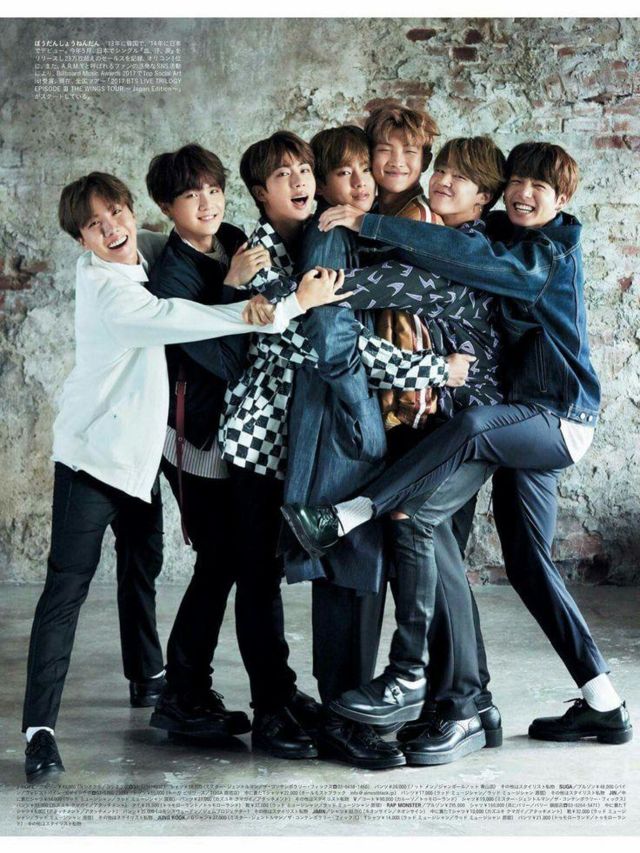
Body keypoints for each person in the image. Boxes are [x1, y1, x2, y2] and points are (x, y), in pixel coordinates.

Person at [282, 142, 633, 748]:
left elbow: (453, 260)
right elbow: (448, 242)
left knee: (435, 487)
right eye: (518, 182)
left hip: (553, 417)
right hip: (520, 422)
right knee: (527, 563)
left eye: (540, 188)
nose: (525, 194)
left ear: (562, 200)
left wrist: (358, 232)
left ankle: (359, 532)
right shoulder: (499, 231)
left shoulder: (547, 252)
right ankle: (604, 702)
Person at [22, 171, 346, 783]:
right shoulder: (115, 298)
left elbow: (168, 242)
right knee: (66, 588)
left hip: (141, 457)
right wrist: (291, 305)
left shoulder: (135, 249)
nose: (113, 229)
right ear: (80, 240)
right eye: (95, 225)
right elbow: (182, 316)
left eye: (117, 213)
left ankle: (152, 678)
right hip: (93, 459)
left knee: (141, 563)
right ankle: (40, 731)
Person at [220, 128, 474, 767]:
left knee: (348, 562)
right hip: (284, 435)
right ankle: (311, 712)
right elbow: (331, 345)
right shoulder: (316, 241)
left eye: (306, 170)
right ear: (261, 191)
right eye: (340, 171)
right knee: (308, 570)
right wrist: (425, 375)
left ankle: (343, 707)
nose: (357, 181)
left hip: (317, 429)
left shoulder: (337, 233)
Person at [297, 133, 508, 766]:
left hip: (453, 422)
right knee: (416, 556)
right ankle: (458, 700)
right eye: (360, 165)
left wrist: (293, 290)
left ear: (484, 196)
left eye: (412, 157)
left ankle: (455, 699)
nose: (383, 171)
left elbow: (387, 289)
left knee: (429, 546)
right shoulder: (393, 228)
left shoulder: (453, 241)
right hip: (414, 421)